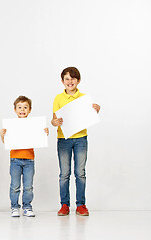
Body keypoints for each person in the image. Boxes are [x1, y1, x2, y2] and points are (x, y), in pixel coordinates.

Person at [51, 67, 100, 216]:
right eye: (67, 79)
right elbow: (53, 120)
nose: (70, 81)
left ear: (78, 81)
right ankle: (64, 205)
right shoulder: (58, 98)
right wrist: (55, 122)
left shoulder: (84, 98)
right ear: (62, 81)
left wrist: (96, 109)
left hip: (80, 138)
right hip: (63, 139)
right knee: (64, 174)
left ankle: (81, 205)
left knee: (80, 173)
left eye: (73, 78)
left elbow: (89, 115)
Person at [0, 96, 49, 217]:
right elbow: (6, 143)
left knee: (28, 186)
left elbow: (39, 139)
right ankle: (14, 207)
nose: (22, 110)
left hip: (29, 160)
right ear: (15, 109)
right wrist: (2, 135)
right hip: (15, 160)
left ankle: (27, 206)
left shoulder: (34, 125)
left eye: (25, 107)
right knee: (15, 186)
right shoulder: (11, 125)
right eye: (20, 107)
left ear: (30, 110)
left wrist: (44, 133)